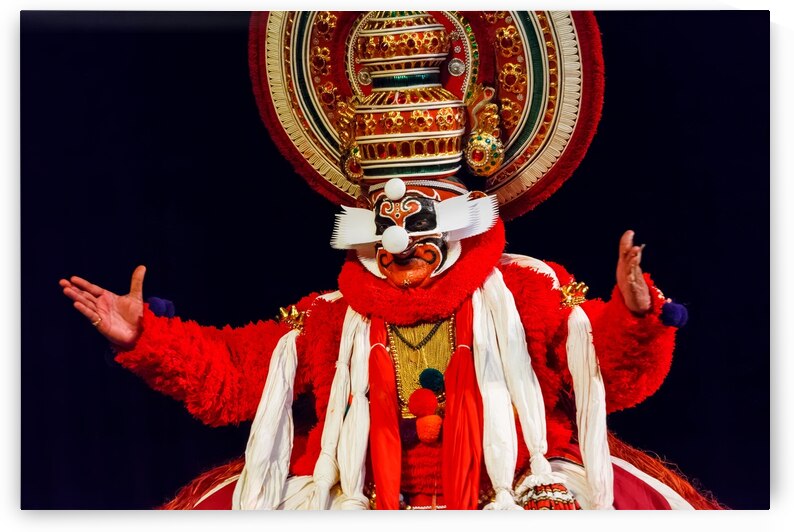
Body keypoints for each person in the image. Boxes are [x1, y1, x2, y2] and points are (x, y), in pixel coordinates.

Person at [60, 10, 721, 510]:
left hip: (513, 494)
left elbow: (613, 376)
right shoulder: (329, 319)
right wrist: (147, 335)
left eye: (421, 221)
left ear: (461, 218)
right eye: (385, 223)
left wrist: (639, 316)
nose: (400, 241)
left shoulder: (527, 294)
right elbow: (233, 377)